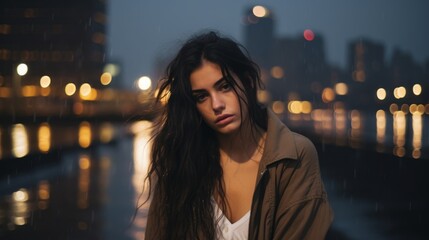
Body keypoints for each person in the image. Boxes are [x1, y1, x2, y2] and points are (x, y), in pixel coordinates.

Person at [144, 31, 333, 240]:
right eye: (201, 96)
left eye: (225, 86)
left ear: (247, 82)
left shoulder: (294, 156)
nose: (216, 105)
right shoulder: (181, 163)